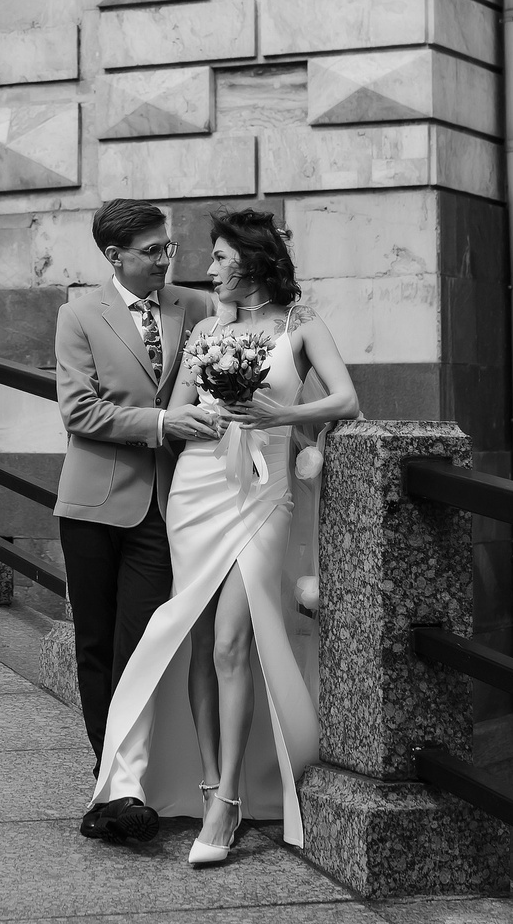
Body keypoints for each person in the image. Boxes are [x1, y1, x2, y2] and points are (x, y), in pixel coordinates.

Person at [89, 207, 362, 866]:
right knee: (199, 639)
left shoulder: (301, 325)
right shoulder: (210, 328)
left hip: (263, 493)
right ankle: (211, 781)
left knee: (235, 640)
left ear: (249, 259)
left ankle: (229, 799)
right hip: (199, 489)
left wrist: (283, 412)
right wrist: (202, 418)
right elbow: (182, 408)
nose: (206, 269)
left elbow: (347, 401)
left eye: (217, 257)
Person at [55, 199, 222, 845]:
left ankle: (133, 781)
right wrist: (161, 424)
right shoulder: (78, 316)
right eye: (151, 250)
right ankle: (113, 786)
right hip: (93, 506)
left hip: (166, 506)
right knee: (96, 648)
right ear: (114, 256)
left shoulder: (198, 310)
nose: (164, 259)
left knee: (143, 649)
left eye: (167, 248)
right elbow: (80, 412)